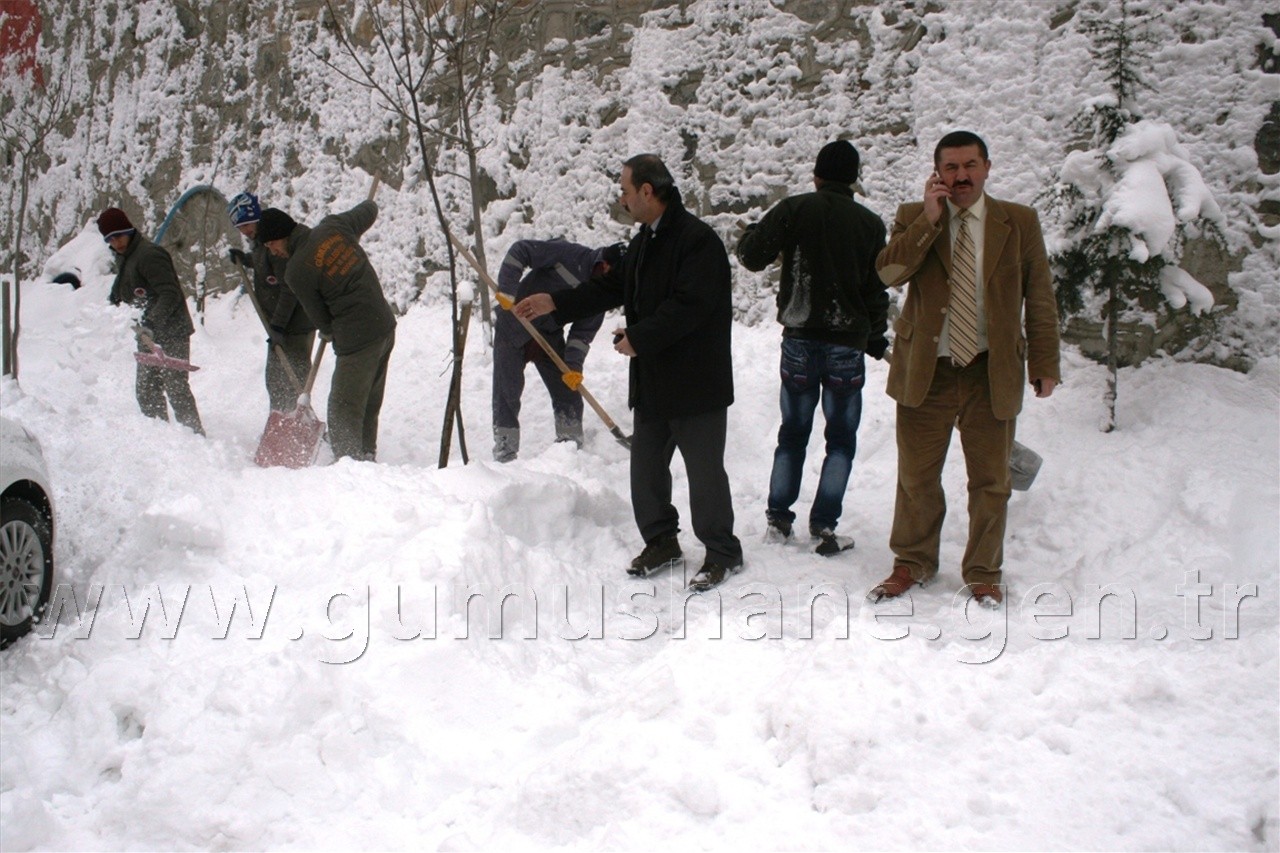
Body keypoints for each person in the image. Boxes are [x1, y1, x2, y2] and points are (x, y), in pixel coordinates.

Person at [514, 154, 743, 592]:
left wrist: (641, 337)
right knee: (646, 469)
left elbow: (691, 306)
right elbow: (609, 286)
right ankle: (661, 541)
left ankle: (722, 552)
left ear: (647, 191)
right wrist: (555, 303)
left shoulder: (698, 241)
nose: (621, 198)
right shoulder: (644, 241)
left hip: (696, 382)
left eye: (624, 189)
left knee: (705, 472)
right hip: (655, 378)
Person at [868, 130, 1060, 608]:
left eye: (970, 165)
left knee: (991, 482)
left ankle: (983, 572)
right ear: (937, 174)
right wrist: (929, 222)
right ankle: (912, 561)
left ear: (987, 168)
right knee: (916, 477)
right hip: (926, 371)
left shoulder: (1017, 222)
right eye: (950, 168)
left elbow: (1038, 294)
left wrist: (1045, 360)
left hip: (989, 370)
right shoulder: (915, 217)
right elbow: (888, 274)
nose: (961, 176)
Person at [736, 140, 889, 556]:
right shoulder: (870, 224)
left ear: (817, 176)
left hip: (800, 342)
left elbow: (751, 257)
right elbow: (876, 290)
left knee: (793, 434)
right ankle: (824, 526)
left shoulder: (794, 210)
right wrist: (874, 336)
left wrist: (750, 233)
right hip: (846, 347)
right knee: (840, 440)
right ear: (854, 181)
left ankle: (778, 520)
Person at [256, 203, 396, 462]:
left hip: (356, 339)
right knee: (369, 399)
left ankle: (348, 466)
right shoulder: (334, 226)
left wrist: (331, 332)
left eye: (270, 245)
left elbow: (321, 320)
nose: (273, 252)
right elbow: (370, 209)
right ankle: (366, 454)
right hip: (385, 326)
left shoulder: (296, 271)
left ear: (279, 238)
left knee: (343, 407)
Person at [491, 239, 622, 462]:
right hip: (513, 324)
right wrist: (508, 289)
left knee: (568, 391)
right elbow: (521, 250)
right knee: (508, 391)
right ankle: (505, 451)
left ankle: (569, 448)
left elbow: (581, 336)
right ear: (605, 265)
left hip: (548, 335)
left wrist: (573, 367)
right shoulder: (569, 255)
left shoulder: (600, 294)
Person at [100, 207, 205, 435]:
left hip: (171, 330)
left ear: (128, 230)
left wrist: (152, 323)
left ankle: (196, 439)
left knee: (176, 387)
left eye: (118, 235)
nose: (115, 242)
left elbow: (170, 293)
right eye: (110, 239)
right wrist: (116, 297)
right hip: (147, 332)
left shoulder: (150, 255)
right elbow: (129, 282)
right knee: (147, 390)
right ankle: (162, 439)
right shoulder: (127, 256)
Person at [226, 192, 317, 412]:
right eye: (240, 227)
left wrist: (277, 325)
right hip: (282, 324)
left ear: (257, 217)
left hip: (294, 325)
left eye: (248, 223)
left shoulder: (274, 242)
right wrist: (246, 260)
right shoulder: (261, 242)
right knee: (278, 381)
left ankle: (295, 430)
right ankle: (286, 427)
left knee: (290, 381)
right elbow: (266, 268)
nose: (245, 230)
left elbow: (289, 289)